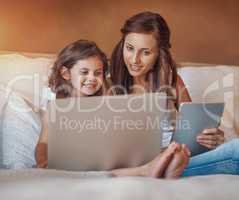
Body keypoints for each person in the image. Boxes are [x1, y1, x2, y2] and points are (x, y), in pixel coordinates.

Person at [35, 39, 190, 178]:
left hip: (103, 162)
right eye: (84, 72)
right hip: (72, 164)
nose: (91, 78)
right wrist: (43, 161)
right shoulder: (56, 109)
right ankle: (148, 170)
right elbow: (43, 143)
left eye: (98, 73)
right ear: (66, 73)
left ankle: (159, 165)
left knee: (107, 164)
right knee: (86, 170)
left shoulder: (106, 102)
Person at [110, 11, 239, 177]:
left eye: (146, 52)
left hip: (173, 158)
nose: (134, 59)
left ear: (159, 54)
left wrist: (214, 138)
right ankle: (147, 170)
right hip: (134, 163)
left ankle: (160, 169)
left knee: (234, 148)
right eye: (129, 48)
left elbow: (195, 133)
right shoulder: (109, 84)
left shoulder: (172, 81)